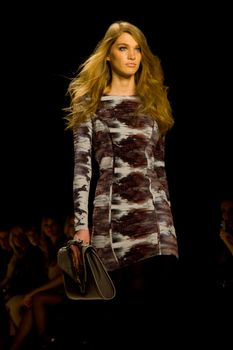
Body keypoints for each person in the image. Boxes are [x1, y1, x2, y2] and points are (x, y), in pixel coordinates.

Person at [64, 20, 180, 348]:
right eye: (123, 48)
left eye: (137, 49)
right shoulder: (91, 104)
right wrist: (81, 228)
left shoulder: (154, 105)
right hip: (112, 223)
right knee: (120, 317)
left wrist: (169, 230)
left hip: (156, 222)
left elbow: (159, 170)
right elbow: (82, 169)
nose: (132, 56)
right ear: (108, 56)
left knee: (158, 315)